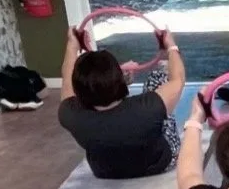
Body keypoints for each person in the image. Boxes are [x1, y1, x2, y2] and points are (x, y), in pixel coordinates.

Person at [57, 26, 185, 179]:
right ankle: (163, 63)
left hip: (105, 171)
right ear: (120, 82)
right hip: (158, 164)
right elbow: (178, 79)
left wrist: (72, 45)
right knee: (158, 78)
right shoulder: (149, 108)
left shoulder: (70, 114)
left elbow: (67, 80)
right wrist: (171, 46)